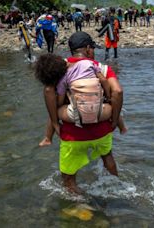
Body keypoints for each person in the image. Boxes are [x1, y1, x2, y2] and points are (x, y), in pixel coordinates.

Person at [36, 32, 124, 193]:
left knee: (68, 176)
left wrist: (54, 122)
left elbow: (48, 89)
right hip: (102, 130)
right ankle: (117, 189)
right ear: (88, 49)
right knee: (107, 157)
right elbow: (117, 92)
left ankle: (78, 205)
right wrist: (114, 120)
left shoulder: (60, 67)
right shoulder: (102, 68)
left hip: (72, 133)